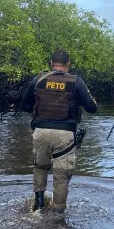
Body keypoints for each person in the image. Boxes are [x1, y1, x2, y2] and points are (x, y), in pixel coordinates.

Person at [20, 50, 97, 212]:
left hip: (40, 131)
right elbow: (92, 108)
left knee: (40, 168)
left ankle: (39, 204)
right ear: (68, 64)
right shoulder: (76, 82)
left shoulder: (38, 79)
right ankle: (58, 213)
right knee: (61, 177)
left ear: (51, 63)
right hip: (65, 135)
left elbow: (25, 105)